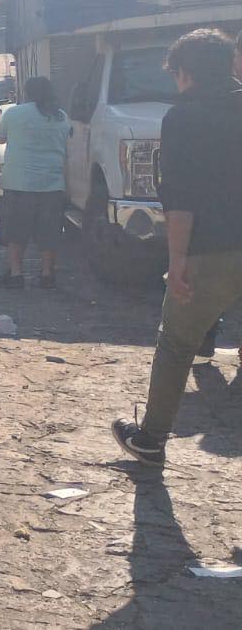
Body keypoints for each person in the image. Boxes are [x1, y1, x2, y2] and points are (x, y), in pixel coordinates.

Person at [113, 30, 242, 467]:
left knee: (177, 344)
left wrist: (177, 259)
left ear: (185, 73)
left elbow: (181, 198)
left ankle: (150, 439)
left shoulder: (184, 118)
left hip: (210, 249)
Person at [0, 76, 71, 288]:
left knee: (16, 232)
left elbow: (0, 137)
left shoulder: (14, 113)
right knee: (49, 232)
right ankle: (47, 273)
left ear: (26, 92)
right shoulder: (61, 117)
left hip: (19, 183)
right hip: (52, 183)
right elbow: (66, 147)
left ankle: (16, 274)